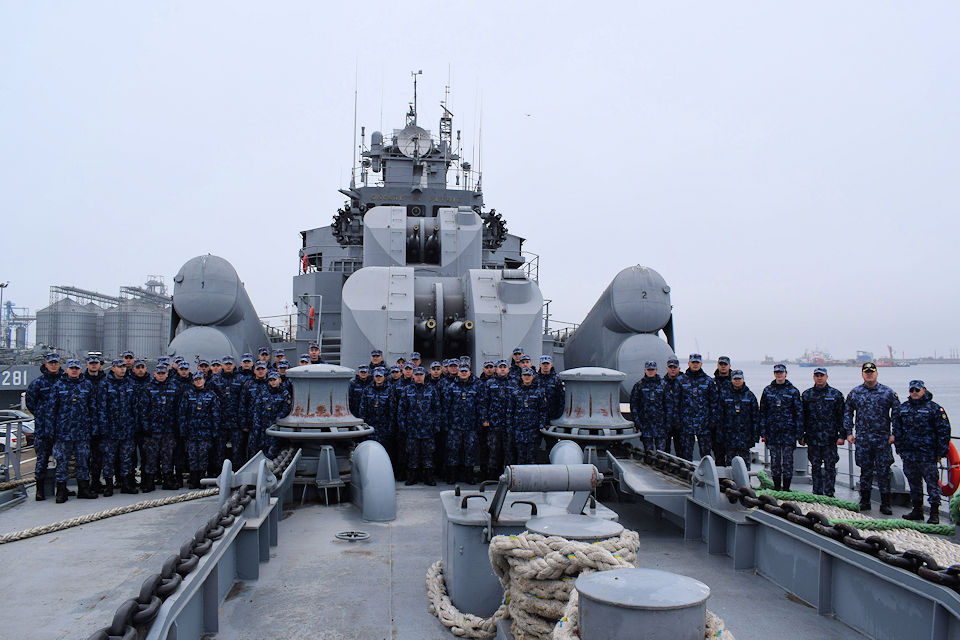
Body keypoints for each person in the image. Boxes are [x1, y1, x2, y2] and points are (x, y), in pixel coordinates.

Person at [844, 361, 900, 513]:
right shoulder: (855, 393)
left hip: (882, 440)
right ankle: (865, 501)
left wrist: (894, 433)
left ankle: (885, 503)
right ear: (862, 374)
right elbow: (848, 413)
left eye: (871, 372)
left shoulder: (888, 392)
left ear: (876, 373)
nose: (869, 374)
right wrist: (849, 432)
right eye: (866, 372)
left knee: (884, 472)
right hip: (863, 439)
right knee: (865, 471)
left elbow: (897, 414)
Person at [893, 380, 951, 524]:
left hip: (927, 454)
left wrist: (941, 452)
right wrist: (899, 448)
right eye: (911, 390)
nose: (914, 392)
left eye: (917, 390)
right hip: (909, 454)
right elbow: (897, 429)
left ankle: (934, 513)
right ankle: (917, 510)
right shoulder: (903, 408)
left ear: (923, 390)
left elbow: (944, 431)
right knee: (914, 483)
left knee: (932, 484)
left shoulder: (934, 409)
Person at [46, 360, 99, 502]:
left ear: (81, 370)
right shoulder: (58, 386)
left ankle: (83, 489)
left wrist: (94, 428)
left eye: (77, 368)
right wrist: (50, 430)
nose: (74, 370)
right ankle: (61, 491)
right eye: (72, 368)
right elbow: (51, 410)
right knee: (62, 463)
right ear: (67, 370)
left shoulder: (87, 385)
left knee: (83, 462)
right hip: (63, 433)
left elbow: (92, 408)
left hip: (82, 432)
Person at [800, 367, 845, 497]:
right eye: (817, 375)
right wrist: (801, 435)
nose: (819, 378)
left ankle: (830, 493)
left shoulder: (836, 395)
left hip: (830, 438)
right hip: (812, 437)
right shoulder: (806, 395)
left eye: (822, 375)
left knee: (830, 467)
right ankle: (817, 493)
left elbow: (842, 417)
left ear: (826, 377)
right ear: (813, 377)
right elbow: (802, 417)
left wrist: (842, 435)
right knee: (815, 466)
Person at [759, 363, 803, 491]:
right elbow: (763, 412)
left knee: (788, 461)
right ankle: (777, 487)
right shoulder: (768, 390)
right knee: (775, 461)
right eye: (777, 372)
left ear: (785, 374)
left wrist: (799, 433)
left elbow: (799, 413)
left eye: (781, 372)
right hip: (772, 432)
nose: (779, 375)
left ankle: (787, 488)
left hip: (789, 432)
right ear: (774, 374)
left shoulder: (793, 391)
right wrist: (763, 431)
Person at [25, 352, 62, 500]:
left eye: (55, 363)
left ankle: (61, 488)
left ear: (59, 364)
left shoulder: (65, 382)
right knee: (42, 460)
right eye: (51, 363)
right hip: (43, 429)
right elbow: (30, 403)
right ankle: (40, 490)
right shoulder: (37, 383)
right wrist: (43, 415)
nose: (53, 365)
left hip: (61, 429)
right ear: (45, 365)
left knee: (62, 460)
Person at [397, 366, 441, 486]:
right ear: (413, 376)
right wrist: (402, 426)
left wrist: (436, 425)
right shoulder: (407, 390)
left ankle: (428, 477)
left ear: (425, 376)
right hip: (412, 428)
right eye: (417, 375)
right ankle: (412, 477)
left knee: (428, 454)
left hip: (428, 429)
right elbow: (401, 410)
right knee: (412, 454)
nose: (419, 377)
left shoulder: (432, 390)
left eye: (421, 375)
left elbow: (437, 409)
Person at [101, 359, 139, 495]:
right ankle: (109, 485)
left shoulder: (130, 384)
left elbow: (135, 406)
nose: (122, 369)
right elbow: (101, 408)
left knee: (126, 458)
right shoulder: (105, 385)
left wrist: (135, 425)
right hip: (110, 429)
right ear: (113, 368)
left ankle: (126, 484)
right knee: (109, 459)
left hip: (127, 429)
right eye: (119, 367)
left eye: (123, 367)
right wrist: (103, 427)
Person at [140, 364, 179, 490]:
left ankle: (168, 481)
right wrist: (146, 427)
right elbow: (143, 410)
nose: (161, 375)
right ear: (155, 374)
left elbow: (178, 408)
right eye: (159, 373)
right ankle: (149, 482)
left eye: (163, 373)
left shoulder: (173, 388)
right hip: (153, 430)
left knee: (168, 456)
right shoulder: (148, 388)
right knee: (151, 457)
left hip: (168, 429)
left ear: (167, 374)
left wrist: (176, 426)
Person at [178, 371, 220, 489]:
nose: (198, 381)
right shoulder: (187, 395)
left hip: (205, 432)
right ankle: (193, 479)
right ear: (193, 381)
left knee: (203, 456)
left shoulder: (211, 395)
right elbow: (182, 413)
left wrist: (215, 431)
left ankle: (201, 479)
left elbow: (215, 414)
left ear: (204, 380)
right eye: (196, 379)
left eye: (200, 379)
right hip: (191, 432)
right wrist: (183, 430)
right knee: (192, 455)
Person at [442, 364, 482, 483]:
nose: (464, 373)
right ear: (458, 373)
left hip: (470, 425)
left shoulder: (476, 387)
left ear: (470, 372)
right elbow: (446, 406)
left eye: (466, 371)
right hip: (454, 426)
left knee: (470, 451)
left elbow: (480, 406)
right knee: (453, 451)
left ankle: (469, 476)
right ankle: (452, 476)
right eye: (462, 371)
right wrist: (446, 424)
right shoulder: (451, 387)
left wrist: (479, 422)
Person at [677, 354, 717, 460]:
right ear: (688, 363)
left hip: (704, 423)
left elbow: (713, 402)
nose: (695, 365)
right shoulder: (680, 380)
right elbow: (676, 402)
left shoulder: (708, 381)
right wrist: (678, 420)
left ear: (701, 364)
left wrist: (712, 420)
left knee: (706, 453)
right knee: (686, 453)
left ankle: (706, 470)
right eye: (693, 362)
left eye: (697, 363)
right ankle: (686, 470)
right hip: (686, 423)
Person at [716, 370, 759, 466]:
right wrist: (720, 434)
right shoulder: (724, 395)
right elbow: (719, 416)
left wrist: (755, 436)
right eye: (735, 379)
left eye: (739, 379)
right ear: (731, 380)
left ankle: (745, 476)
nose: (737, 381)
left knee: (745, 463)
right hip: (729, 436)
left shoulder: (750, 396)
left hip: (745, 436)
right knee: (730, 463)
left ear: (743, 379)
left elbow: (755, 417)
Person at [480, 359, 513, 477]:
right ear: (496, 370)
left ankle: (508, 475)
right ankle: (493, 474)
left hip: (509, 423)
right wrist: (485, 419)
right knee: (493, 449)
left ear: (508, 369)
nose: (502, 369)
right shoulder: (489, 383)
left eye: (504, 367)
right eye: (500, 367)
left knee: (508, 450)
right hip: (494, 423)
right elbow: (484, 402)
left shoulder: (514, 383)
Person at [212, 355, 245, 467]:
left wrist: (242, 420)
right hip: (221, 421)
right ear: (222, 365)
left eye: (230, 364)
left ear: (234, 365)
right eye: (226, 364)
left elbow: (243, 400)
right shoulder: (215, 380)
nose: (228, 366)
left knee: (237, 450)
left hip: (236, 422)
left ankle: (236, 472)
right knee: (219, 450)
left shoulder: (241, 379)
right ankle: (219, 472)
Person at [510, 368, 547, 465]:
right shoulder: (515, 392)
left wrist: (542, 424)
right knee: (520, 457)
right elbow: (510, 410)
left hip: (533, 430)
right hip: (519, 430)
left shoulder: (538, 392)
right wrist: (510, 426)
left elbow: (543, 410)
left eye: (529, 375)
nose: (527, 377)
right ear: (521, 377)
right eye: (525, 375)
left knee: (532, 458)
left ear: (532, 377)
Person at [83, 354, 108, 494]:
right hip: (84, 427)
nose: (93, 365)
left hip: (102, 426)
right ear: (87, 365)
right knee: (84, 457)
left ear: (100, 365)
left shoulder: (106, 382)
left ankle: (96, 482)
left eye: (96, 363)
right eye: (91, 363)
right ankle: (85, 485)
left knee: (99, 457)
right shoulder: (81, 382)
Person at [629, 361, 667, 452]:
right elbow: (634, 406)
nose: (650, 372)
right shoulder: (639, 386)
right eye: (648, 370)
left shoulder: (663, 385)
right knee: (648, 453)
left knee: (661, 453)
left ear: (656, 370)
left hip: (660, 426)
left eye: (652, 370)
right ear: (645, 370)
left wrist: (667, 423)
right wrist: (638, 424)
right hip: (645, 426)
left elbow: (668, 406)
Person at [253, 371, 291, 458]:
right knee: (262, 449)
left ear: (279, 380)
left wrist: (277, 419)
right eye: (270, 380)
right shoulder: (263, 393)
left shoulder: (284, 393)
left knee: (274, 451)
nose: (273, 382)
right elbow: (258, 409)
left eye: (275, 379)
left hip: (276, 427)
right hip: (264, 426)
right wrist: (257, 424)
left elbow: (286, 409)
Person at [359, 367, 393, 456]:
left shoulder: (390, 390)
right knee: (370, 451)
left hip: (384, 427)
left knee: (384, 452)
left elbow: (392, 410)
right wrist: (364, 424)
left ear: (384, 376)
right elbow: (363, 408)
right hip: (370, 426)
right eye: (376, 376)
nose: (378, 378)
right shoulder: (367, 390)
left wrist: (390, 427)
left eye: (380, 376)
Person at [661, 357, 683, 456]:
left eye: (675, 367)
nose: (673, 369)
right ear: (667, 368)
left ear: (679, 368)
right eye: (670, 367)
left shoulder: (685, 383)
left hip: (681, 424)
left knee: (681, 452)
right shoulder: (661, 383)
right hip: (665, 423)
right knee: (665, 452)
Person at [537, 356, 565, 421]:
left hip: (553, 414)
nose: (545, 366)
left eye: (547, 364)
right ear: (540, 365)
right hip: (538, 415)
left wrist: (558, 413)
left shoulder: (557, 379)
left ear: (551, 365)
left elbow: (562, 397)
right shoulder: (535, 379)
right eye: (543, 364)